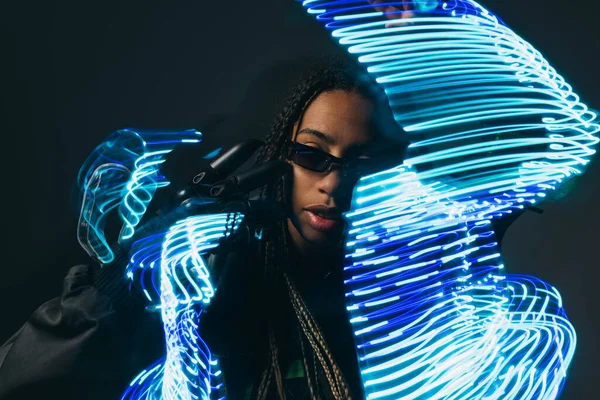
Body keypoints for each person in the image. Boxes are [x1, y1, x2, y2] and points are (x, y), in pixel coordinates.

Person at [0, 58, 408, 399]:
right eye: (311, 154)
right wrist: (123, 280)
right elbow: (20, 379)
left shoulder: (407, 287)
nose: (334, 184)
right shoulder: (202, 279)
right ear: (276, 158)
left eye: (361, 164)